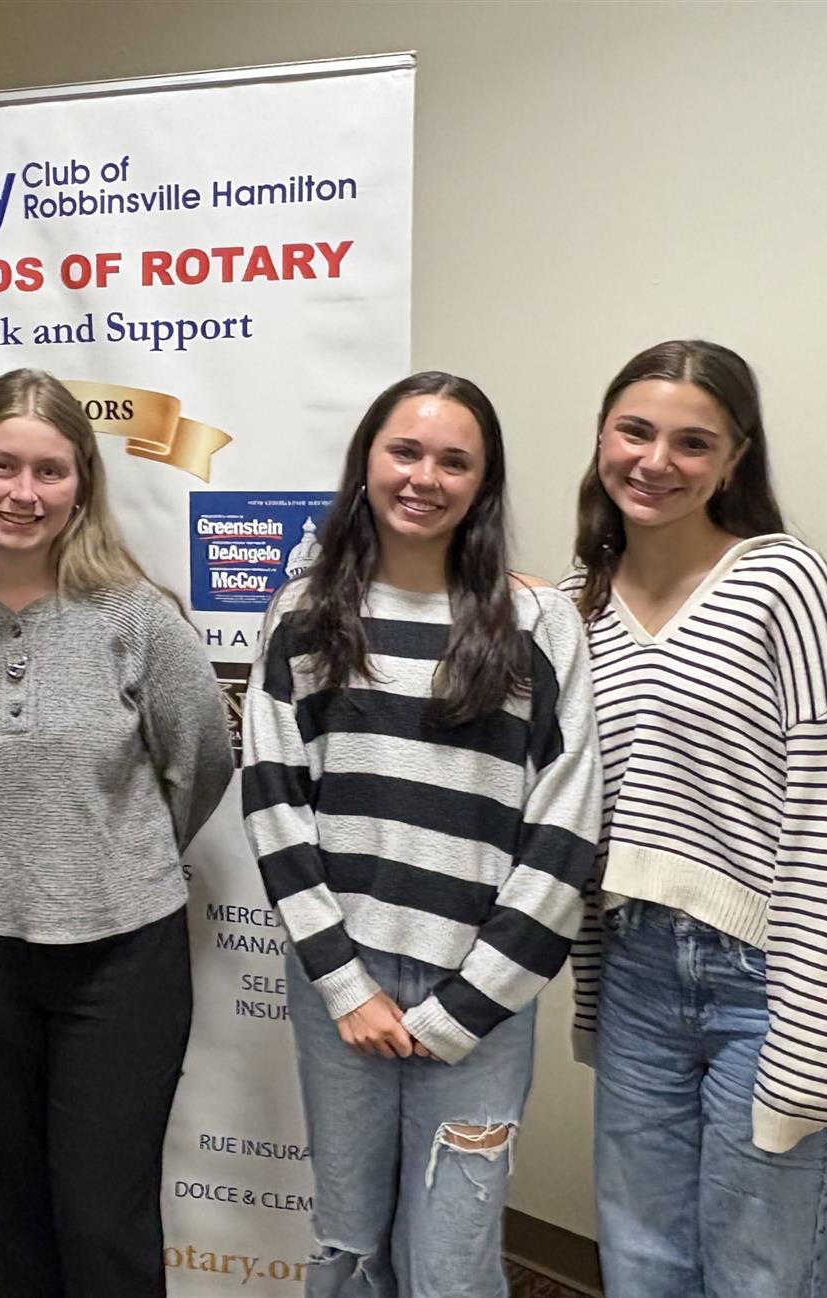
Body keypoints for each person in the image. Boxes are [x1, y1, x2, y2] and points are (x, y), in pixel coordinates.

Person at [241, 372, 599, 1298]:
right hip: (343, 996)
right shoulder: (303, 615)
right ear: (367, 460)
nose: (424, 478)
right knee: (350, 1246)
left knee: (451, 1267)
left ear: (484, 483)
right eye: (405, 451)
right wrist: (345, 987)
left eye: (454, 461)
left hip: (481, 1001)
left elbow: (565, 830)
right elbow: (276, 806)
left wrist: (469, 1005)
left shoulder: (538, 624)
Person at [0, 369, 233, 1298]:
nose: (24, 493)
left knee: (104, 1222)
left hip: (121, 961)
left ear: (82, 484)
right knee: (18, 1213)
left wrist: (111, 855)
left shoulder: (136, 619)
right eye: (2, 465)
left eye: (50, 471)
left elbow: (202, 760)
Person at [565, 341, 827, 1298]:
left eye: (692, 442)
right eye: (634, 431)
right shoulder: (579, 608)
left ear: (735, 460)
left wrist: (815, 1034)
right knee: (641, 1262)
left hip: (770, 979)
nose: (655, 461)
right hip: (637, 971)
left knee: (764, 1275)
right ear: (602, 437)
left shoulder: (783, 580)